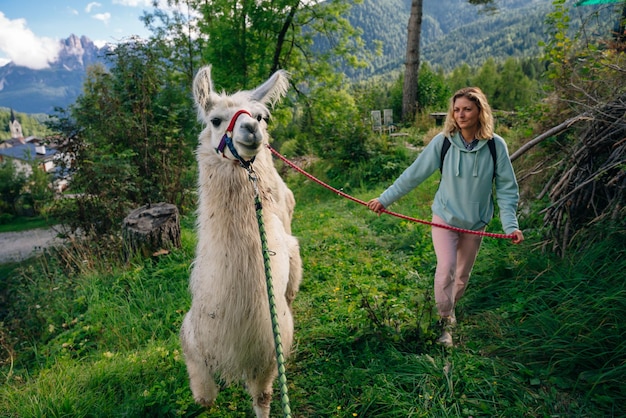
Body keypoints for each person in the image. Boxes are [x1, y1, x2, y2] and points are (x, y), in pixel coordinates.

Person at [367, 87, 524, 347]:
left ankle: (449, 311)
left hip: (476, 223)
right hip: (445, 218)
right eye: (457, 109)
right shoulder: (443, 142)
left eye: (467, 109)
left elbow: (507, 189)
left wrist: (511, 226)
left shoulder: (496, 146)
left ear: (479, 112)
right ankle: (443, 323)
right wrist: (384, 199)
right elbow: (413, 174)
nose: (460, 114)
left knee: (462, 276)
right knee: (446, 270)